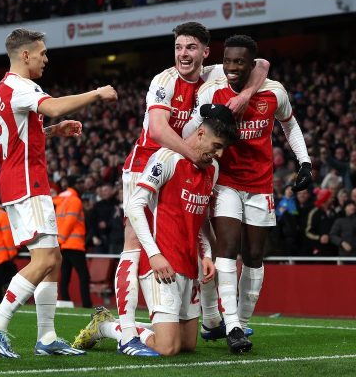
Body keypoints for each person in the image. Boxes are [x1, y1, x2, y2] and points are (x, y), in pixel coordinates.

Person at [111, 22, 269, 355]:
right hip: (148, 160)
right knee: (134, 241)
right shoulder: (164, 81)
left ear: (205, 52)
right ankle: (125, 331)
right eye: (179, 47)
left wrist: (244, 96)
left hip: (188, 161)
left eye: (191, 48)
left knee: (197, 229)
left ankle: (208, 318)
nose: (184, 54)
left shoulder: (213, 74)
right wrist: (192, 155)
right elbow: (156, 130)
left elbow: (263, 65)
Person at [0, 27, 117, 358]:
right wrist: (96, 93)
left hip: (17, 178)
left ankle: (47, 336)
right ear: (25, 55)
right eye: (41, 53)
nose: (46, 58)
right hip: (28, 183)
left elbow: (21, 134)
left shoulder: (2, 88)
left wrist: (52, 132)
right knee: (44, 260)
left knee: (53, 259)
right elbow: (52, 106)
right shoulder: (22, 87)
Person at [183, 34, 312, 353]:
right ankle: (234, 326)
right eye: (227, 61)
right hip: (224, 182)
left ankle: (239, 320)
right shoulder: (213, 90)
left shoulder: (274, 92)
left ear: (252, 65)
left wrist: (304, 160)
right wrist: (205, 119)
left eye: (239, 62)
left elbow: (290, 125)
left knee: (254, 256)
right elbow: (190, 129)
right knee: (226, 249)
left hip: (260, 185)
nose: (231, 68)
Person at [73, 112, 238, 356]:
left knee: (187, 345)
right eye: (217, 146)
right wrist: (154, 255)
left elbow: (200, 215)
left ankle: (126, 326)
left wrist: (206, 253)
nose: (219, 154)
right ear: (201, 134)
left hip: (188, 264)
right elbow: (135, 205)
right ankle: (108, 327)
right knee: (167, 348)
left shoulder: (211, 168)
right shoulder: (166, 158)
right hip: (162, 264)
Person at [53, 175, 92, 308]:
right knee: (84, 276)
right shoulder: (75, 200)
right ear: (76, 184)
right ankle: (86, 304)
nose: (83, 185)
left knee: (65, 276)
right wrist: (62, 239)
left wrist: (60, 241)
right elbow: (70, 222)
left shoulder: (61, 200)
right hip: (74, 245)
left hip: (64, 245)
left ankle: (65, 301)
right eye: (81, 182)